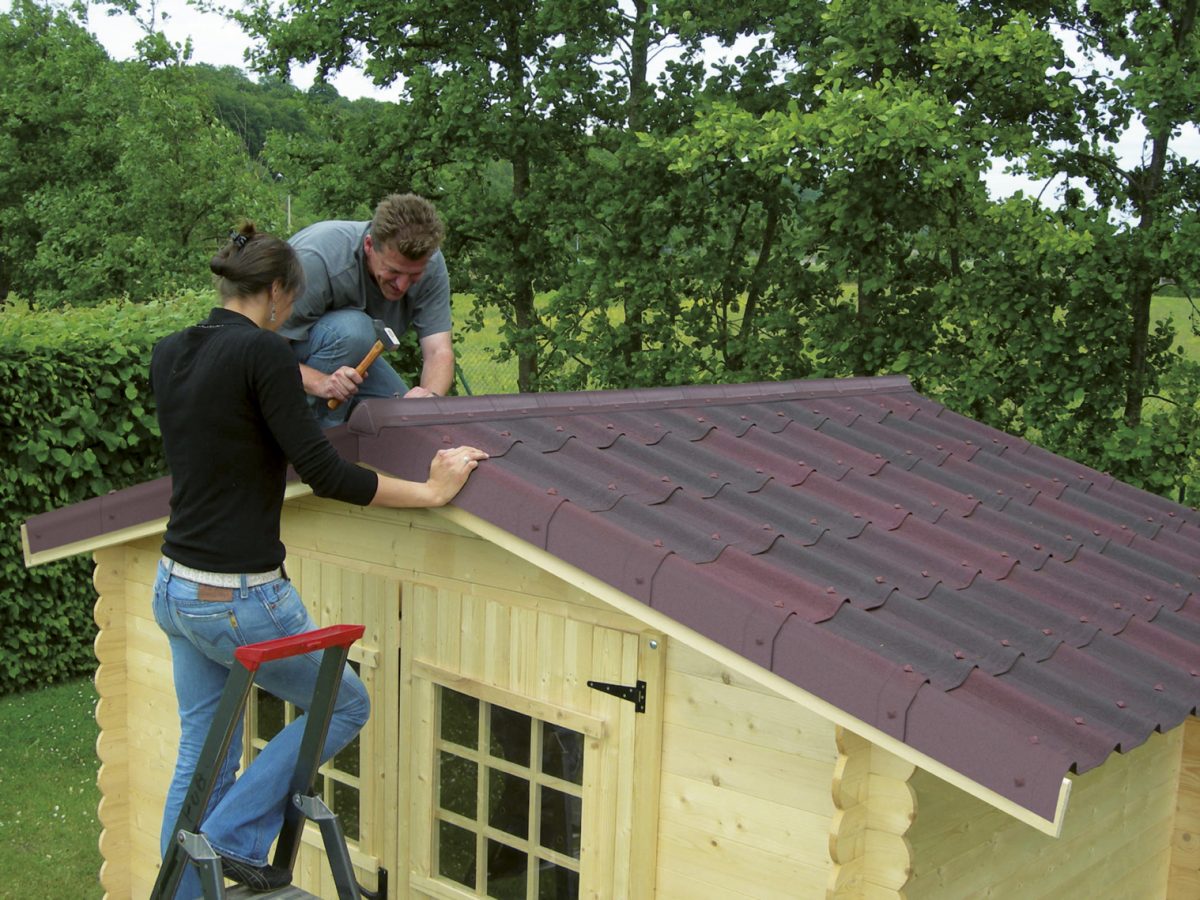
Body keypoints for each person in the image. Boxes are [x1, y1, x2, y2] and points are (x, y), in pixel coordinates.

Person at [150, 223, 486, 895]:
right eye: (288, 302)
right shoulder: (264, 355)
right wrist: (429, 489)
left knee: (202, 750)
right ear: (275, 292)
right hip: (238, 596)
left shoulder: (171, 352)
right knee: (345, 707)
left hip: (174, 588)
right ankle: (232, 843)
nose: (288, 315)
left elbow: (236, 443)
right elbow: (326, 474)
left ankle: (184, 889)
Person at [279, 192, 454, 427]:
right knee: (355, 331)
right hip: (282, 359)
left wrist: (429, 399)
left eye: (413, 275)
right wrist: (321, 383)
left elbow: (438, 352)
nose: (402, 285)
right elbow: (260, 353)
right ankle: (310, 446)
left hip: (349, 361)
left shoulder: (431, 264)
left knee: (403, 420)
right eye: (393, 271)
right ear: (369, 245)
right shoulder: (316, 260)